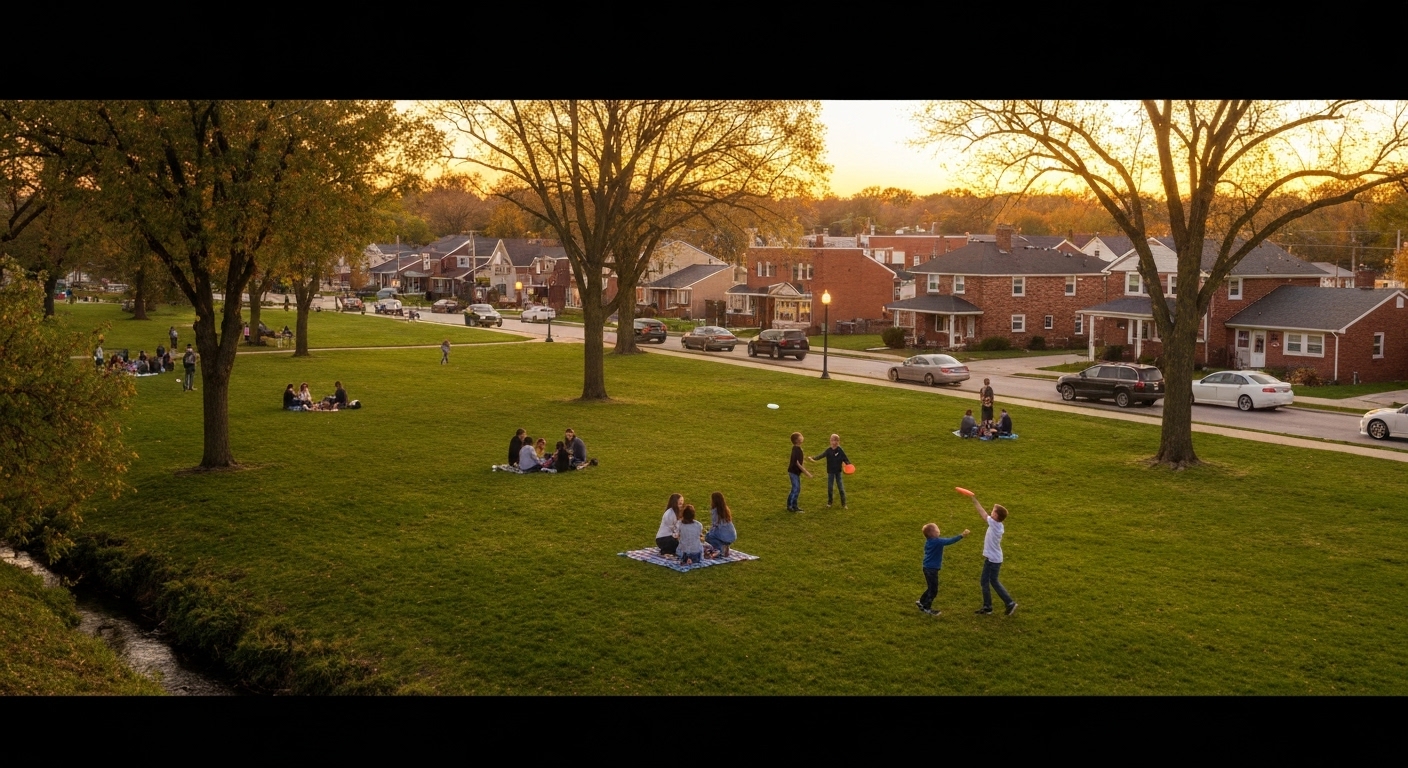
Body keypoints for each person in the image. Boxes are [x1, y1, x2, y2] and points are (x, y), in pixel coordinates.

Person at [970, 493, 1017, 616]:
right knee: (986, 581)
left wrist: (974, 500)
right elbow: (985, 515)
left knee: (992, 581)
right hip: (993, 559)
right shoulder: (998, 525)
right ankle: (988, 607)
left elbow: (983, 514)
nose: (991, 512)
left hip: (993, 560)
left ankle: (1009, 603)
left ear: (996, 515)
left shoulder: (994, 524)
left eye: (993, 511)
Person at [916, 523, 969, 616]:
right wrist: (962, 535)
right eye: (937, 529)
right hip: (932, 570)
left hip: (926, 567)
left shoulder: (929, 541)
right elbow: (950, 541)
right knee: (933, 590)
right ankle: (927, 608)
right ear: (933, 533)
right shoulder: (938, 541)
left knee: (930, 587)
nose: (939, 530)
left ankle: (921, 602)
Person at [808, 433, 851, 509]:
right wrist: (813, 458)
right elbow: (821, 455)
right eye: (832, 440)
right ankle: (829, 502)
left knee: (840, 488)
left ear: (838, 441)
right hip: (830, 471)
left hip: (838, 471)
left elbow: (845, 459)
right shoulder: (828, 451)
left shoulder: (840, 450)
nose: (834, 442)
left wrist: (849, 466)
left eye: (836, 440)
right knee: (830, 487)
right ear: (830, 441)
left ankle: (844, 504)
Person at [787, 431, 813, 513]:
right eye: (800, 436)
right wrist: (806, 472)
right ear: (797, 440)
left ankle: (794, 506)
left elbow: (800, 462)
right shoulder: (796, 450)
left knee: (797, 489)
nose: (802, 437)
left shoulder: (798, 449)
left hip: (795, 472)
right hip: (793, 472)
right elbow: (797, 463)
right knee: (795, 489)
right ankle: (790, 506)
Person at [705, 492, 737, 558]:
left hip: (724, 535)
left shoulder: (715, 511)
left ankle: (719, 549)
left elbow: (714, 525)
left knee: (708, 536)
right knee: (717, 533)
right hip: (732, 535)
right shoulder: (726, 509)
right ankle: (726, 545)